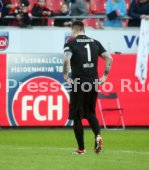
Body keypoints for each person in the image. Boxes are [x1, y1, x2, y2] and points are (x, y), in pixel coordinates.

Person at [63, 21, 113, 154]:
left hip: (78, 82)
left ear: (74, 31)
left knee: (77, 116)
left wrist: (66, 75)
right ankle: (98, 136)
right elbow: (109, 59)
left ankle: (81, 149)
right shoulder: (95, 42)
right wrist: (104, 77)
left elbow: (66, 59)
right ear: (83, 29)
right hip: (93, 82)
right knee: (90, 112)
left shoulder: (70, 43)